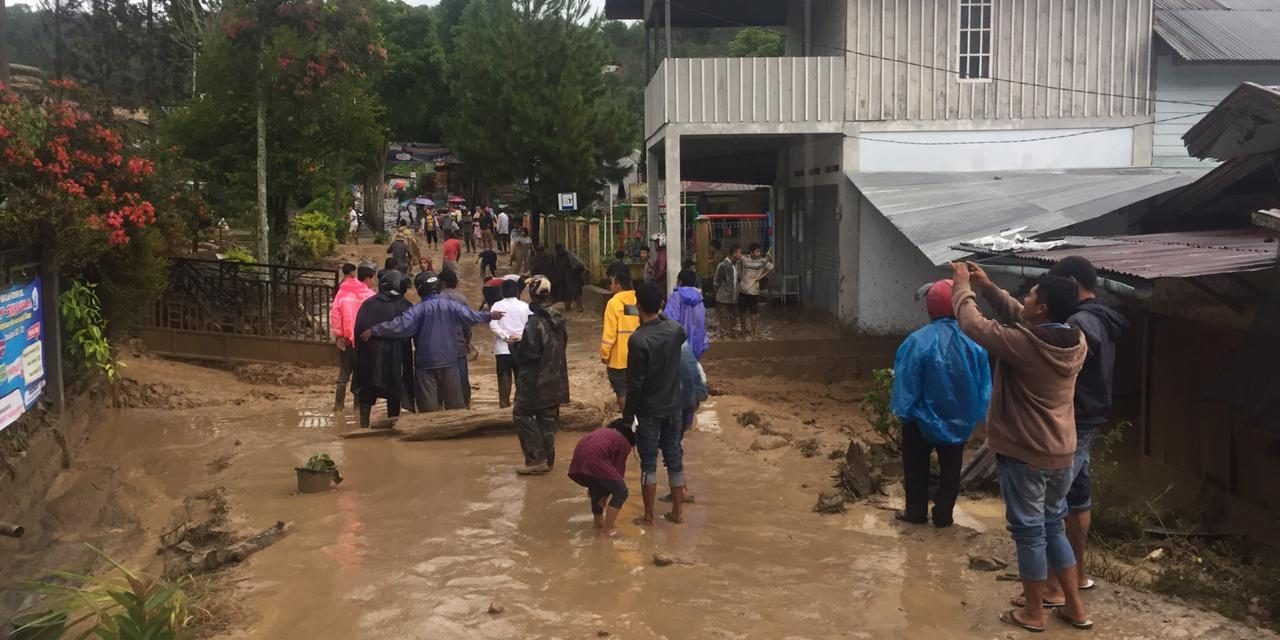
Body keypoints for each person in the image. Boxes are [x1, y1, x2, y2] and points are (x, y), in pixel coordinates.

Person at [952, 261, 1091, 633]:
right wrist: (989, 288)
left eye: (1029, 295)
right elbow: (1026, 320)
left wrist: (962, 286)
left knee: (1029, 532)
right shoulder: (1075, 340)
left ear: (1042, 308)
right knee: (1053, 526)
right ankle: (1075, 608)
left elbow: (973, 325)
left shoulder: (1023, 346)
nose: (1023, 299)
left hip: (1025, 452)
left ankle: (1033, 612)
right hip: (1061, 451)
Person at [1036, 256, 1129, 600]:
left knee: (1052, 502)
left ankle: (1053, 586)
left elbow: (1066, 362)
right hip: (1093, 415)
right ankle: (1078, 574)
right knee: (1078, 499)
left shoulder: (1081, 322)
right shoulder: (1102, 315)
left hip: (1076, 417)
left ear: (1072, 283)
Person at [890, 279, 991, 528]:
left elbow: (906, 384)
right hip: (958, 421)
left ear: (931, 306)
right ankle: (944, 515)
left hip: (918, 420)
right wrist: (974, 416)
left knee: (916, 469)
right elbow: (983, 385)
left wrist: (903, 412)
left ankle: (915, 512)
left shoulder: (916, 341)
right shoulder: (975, 343)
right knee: (951, 471)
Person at [364, 271, 502, 412]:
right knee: (455, 408)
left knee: (428, 411)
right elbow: (472, 316)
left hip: (425, 364)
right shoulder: (451, 306)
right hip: (449, 361)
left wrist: (375, 330)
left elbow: (399, 326)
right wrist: (490, 316)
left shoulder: (417, 310)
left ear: (420, 289)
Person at [625, 281, 688, 526]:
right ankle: (677, 512)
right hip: (674, 406)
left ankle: (649, 515)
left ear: (638, 306)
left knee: (648, 463)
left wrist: (628, 416)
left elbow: (635, 384)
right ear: (661, 305)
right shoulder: (675, 331)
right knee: (674, 456)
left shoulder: (638, 340)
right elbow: (672, 329)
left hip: (649, 410)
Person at [512, 276, 570, 475]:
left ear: (532, 294)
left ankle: (536, 459)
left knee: (522, 414)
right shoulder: (559, 320)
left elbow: (529, 354)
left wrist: (515, 346)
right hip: (556, 380)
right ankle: (548, 459)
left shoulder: (534, 323)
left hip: (535, 382)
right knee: (548, 419)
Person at [352, 270, 414, 428]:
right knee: (394, 393)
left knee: (366, 392)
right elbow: (410, 332)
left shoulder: (368, 304)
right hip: (395, 359)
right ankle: (391, 427)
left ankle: (363, 427)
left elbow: (358, 330)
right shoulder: (405, 305)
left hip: (368, 358)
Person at [568, 418, 636, 537]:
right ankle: (608, 529)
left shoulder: (603, 432)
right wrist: (608, 493)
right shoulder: (623, 442)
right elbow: (618, 472)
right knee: (621, 491)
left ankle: (598, 522)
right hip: (595, 458)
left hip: (579, 456)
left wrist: (604, 493)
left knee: (596, 488)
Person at [329, 263, 375, 410]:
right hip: (363, 341)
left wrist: (339, 335)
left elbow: (335, 315)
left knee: (343, 376)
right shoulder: (369, 295)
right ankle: (358, 408)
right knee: (360, 375)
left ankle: (338, 407)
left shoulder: (342, 293)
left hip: (347, 340)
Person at [600, 271, 641, 412]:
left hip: (619, 359)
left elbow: (609, 333)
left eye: (612, 283)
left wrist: (605, 354)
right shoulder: (639, 300)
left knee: (622, 391)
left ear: (618, 285)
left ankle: (628, 422)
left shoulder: (613, 303)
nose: (610, 286)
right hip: (639, 355)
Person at [490, 278, 532, 409]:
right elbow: (530, 326)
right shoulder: (525, 306)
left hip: (502, 349)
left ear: (502, 292)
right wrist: (520, 337)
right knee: (521, 379)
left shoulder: (497, 306)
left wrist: (506, 336)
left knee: (503, 380)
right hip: (521, 348)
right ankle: (521, 408)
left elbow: (492, 325)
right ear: (517, 292)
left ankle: (504, 406)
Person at [439, 269, 475, 408]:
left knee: (442, 377)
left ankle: (443, 407)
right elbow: (467, 323)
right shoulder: (462, 299)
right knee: (462, 378)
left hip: (441, 345)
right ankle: (465, 405)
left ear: (442, 283)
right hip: (459, 343)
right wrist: (467, 341)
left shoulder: (437, 298)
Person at [666, 269, 709, 360]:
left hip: (679, 347)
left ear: (680, 282)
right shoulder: (700, 299)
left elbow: (670, 321)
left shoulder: (676, 296)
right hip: (697, 345)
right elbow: (703, 323)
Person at [737, 243, 773, 338]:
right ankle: (743, 330)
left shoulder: (762, 261)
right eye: (757, 251)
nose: (759, 253)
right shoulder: (744, 259)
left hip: (754, 291)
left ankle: (753, 331)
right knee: (742, 312)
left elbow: (771, 267)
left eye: (759, 251)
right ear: (752, 253)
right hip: (743, 290)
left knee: (754, 312)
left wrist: (760, 277)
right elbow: (737, 257)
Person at [713, 245, 741, 336]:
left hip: (734, 296)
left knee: (734, 315)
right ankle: (723, 334)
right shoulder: (723, 265)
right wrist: (718, 293)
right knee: (723, 316)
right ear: (734, 253)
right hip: (723, 296)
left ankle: (732, 332)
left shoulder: (737, 264)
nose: (741, 255)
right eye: (739, 252)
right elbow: (717, 281)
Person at [553, 244, 586, 312]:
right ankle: (568, 306)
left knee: (576, 292)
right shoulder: (557, 257)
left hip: (573, 277)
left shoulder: (569, 255)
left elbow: (579, 265)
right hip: (564, 278)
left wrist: (578, 274)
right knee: (566, 293)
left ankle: (580, 306)